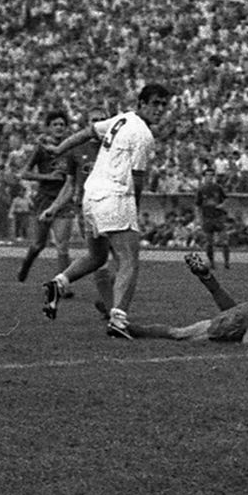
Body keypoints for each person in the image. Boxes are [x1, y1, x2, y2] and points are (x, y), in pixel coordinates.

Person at [41, 83, 173, 338]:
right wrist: (132, 209)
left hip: (91, 196)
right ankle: (118, 319)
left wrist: (59, 149)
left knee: (97, 257)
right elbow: (137, 178)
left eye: (163, 105)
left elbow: (88, 132)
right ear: (142, 104)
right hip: (114, 196)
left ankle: (58, 284)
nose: (160, 109)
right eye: (155, 103)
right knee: (129, 259)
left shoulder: (121, 119)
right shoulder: (143, 134)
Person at [127, 254, 248, 345]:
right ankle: (126, 327)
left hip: (247, 315)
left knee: (231, 313)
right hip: (240, 322)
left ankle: (206, 276)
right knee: (181, 334)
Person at [16, 110, 81, 285]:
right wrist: (48, 177)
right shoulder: (41, 149)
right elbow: (24, 173)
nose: (59, 127)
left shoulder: (72, 149)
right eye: (55, 124)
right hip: (44, 199)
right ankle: (26, 264)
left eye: (62, 124)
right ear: (48, 128)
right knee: (38, 244)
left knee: (62, 246)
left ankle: (61, 285)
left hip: (64, 200)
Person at [195, 165, 230, 269]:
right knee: (209, 243)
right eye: (207, 175)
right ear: (204, 177)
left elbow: (226, 199)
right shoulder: (201, 190)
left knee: (224, 241)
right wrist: (198, 218)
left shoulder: (218, 187)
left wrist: (222, 205)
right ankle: (212, 262)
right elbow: (197, 205)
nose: (209, 177)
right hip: (207, 218)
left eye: (211, 175)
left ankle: (226, 262)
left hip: (218, 217)